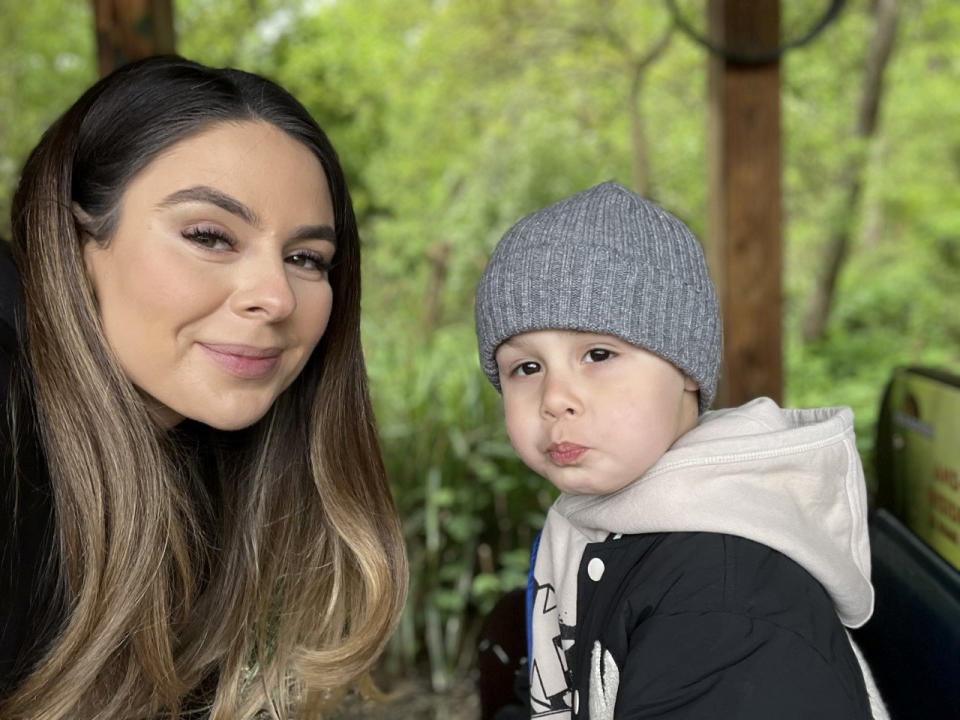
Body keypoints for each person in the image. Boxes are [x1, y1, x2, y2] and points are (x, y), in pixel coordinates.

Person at [0, 56, 407, 719]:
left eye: (306, 259)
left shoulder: (199, 456)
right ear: (74, 242)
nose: (275, 297)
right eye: (211, 237)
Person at [473, 182, 888, 719]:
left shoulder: (724, 606)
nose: (555, 399)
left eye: (598, 354)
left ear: (687, 371)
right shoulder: (616, 525)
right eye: (526, 368)